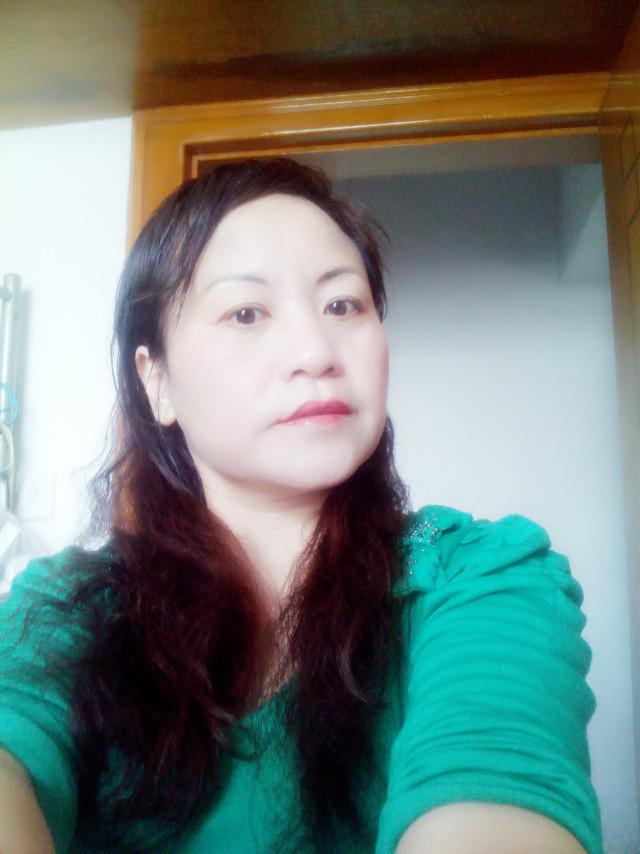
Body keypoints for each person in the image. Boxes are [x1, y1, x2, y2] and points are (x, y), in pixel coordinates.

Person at [0, 157, 603, 853]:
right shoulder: (66, 612)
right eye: (246, 312)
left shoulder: (483, 577)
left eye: (343, 304)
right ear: (155, 379)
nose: (316, 351)